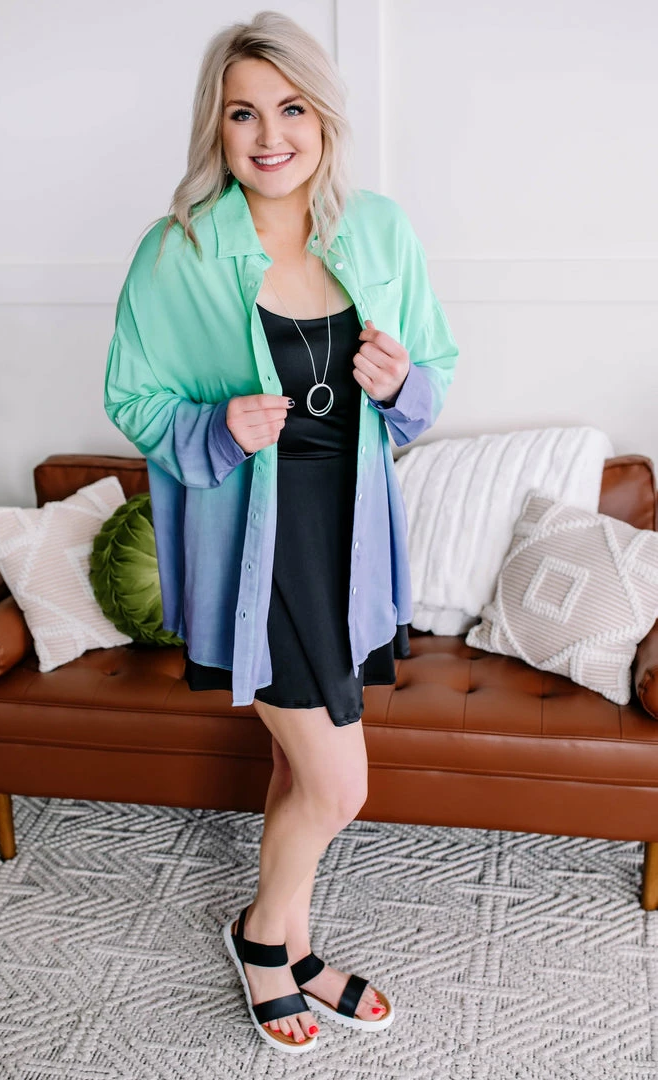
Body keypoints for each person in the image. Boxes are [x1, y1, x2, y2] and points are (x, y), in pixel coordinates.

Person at [104, 9, 459, 1056]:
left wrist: (400, 384)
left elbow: (433, 370)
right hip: (253, 544)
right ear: (213, 127)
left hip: (351, 538)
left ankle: (293, 946)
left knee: (302, 770)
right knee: (341, 783)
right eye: (242, 112)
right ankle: (263, 939)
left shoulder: (378, 230)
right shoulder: (176, 251)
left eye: (291, 108)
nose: (270, 135)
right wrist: (217, 426)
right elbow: (133, 397)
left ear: (323, 118)